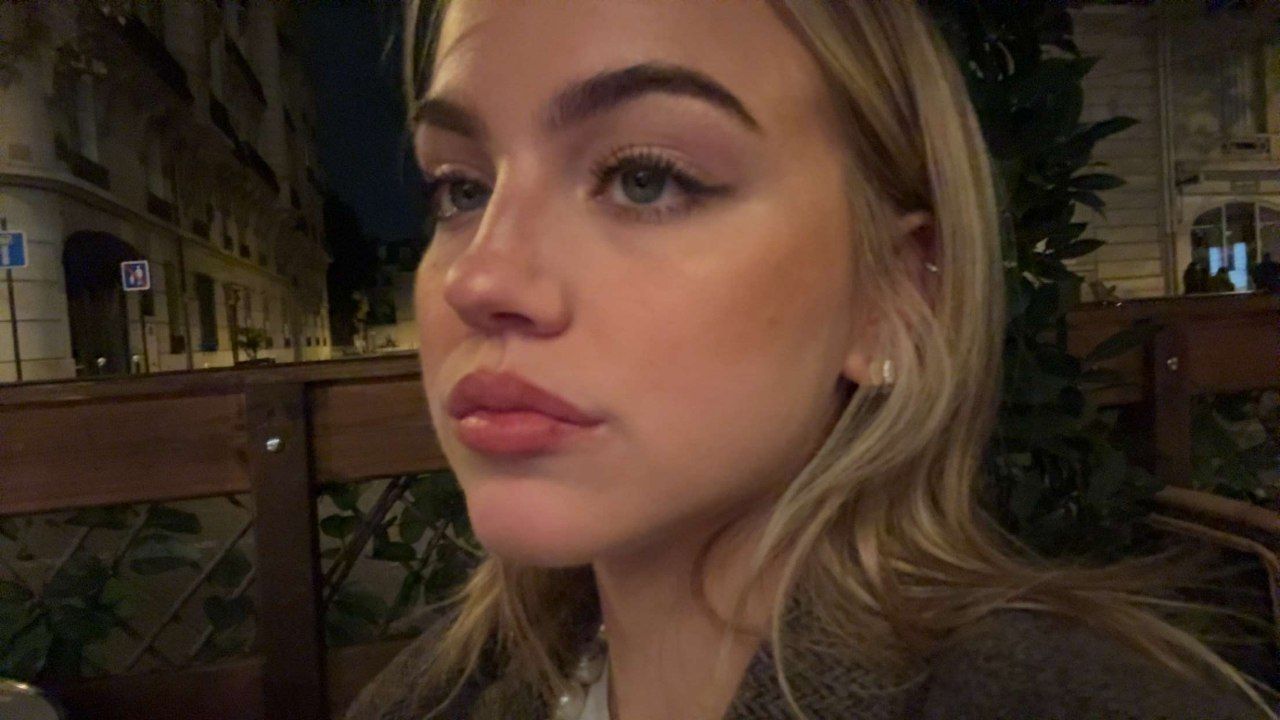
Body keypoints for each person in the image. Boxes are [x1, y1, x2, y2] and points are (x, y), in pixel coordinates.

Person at [348, 1, 1272, 718]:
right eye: (461, 189)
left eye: (644, 178)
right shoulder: (423, 703)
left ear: (896, 292)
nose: (479, 277)